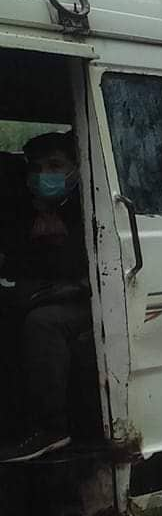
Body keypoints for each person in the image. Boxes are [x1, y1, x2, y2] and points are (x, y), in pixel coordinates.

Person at [0, 131, 91, 462]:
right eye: (37, 168)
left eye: (55, 165)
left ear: (76, 167)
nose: (44, 175)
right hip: (38, 293)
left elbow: (89, 269)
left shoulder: (90, 204)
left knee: (43, 324)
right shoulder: (23, 211)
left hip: (90, 299)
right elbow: (16, 260)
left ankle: (53, 428)